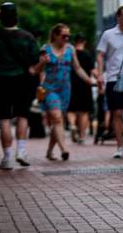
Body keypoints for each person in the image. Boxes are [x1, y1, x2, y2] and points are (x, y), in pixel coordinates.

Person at [0, 3, 39, 170]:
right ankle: (22, 151)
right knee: (23, 115)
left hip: (0, 81)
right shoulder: (27, 37)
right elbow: (35, 61)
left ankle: (7, 157)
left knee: (4, 118)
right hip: (22, 80)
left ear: (1, 18)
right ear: (16, 17)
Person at [36, 23, 94, 161]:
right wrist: (42, 63)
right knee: (57, 117)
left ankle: (50, 151)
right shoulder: (46, 49)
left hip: (65, 90)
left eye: (69, 36)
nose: (67, 38)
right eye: (64, 36)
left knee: (58, 120)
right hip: (49, 89)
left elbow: (78, 68)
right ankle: (64, 150)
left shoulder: (70, 49)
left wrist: (89, 80)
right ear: (55, 35)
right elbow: (37, 70)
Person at [96, 5, 123, 158]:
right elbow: (100, 55)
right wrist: (100, 74)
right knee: (117, 112)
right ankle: (120, 146)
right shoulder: (108, 34)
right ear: (118, 17)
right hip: (114, 77)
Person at [67, 33, 94, 144]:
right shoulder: (87, 55)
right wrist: (98, 80)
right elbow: (93, 71)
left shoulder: (70, 54)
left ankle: (72, 125)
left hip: (70, 84)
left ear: (75, 41)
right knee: (84, 111)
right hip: (85, 84)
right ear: (84, 42)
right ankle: (82, 136)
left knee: (71, 109)